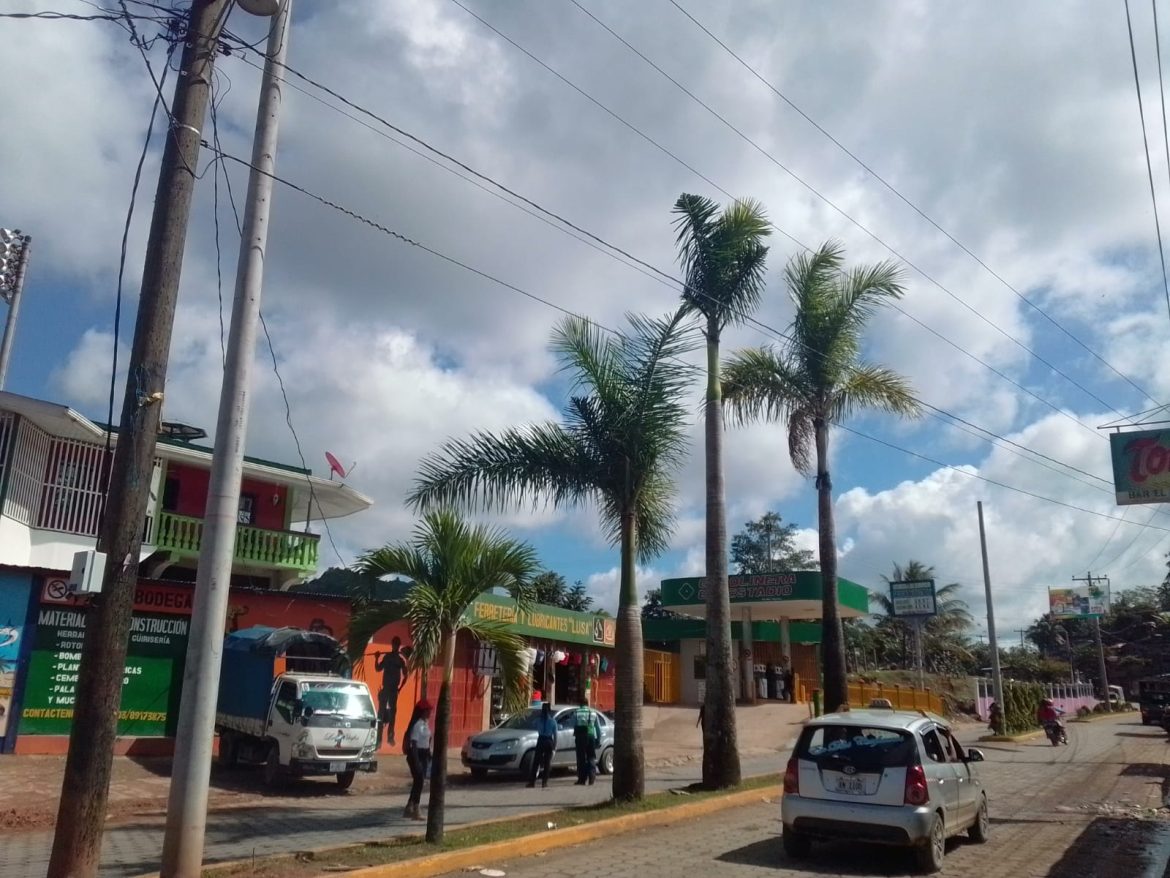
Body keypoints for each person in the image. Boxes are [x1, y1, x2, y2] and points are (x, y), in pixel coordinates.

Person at [374, 637, 409, 747]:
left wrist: (400, 688)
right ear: (392, 645)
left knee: (392, 713)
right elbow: (378, 668)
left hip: (394, 690)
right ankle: (378, 740)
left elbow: (406, 675)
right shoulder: (387, 657)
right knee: (381, 713)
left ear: (398, 645)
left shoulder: (400, 660)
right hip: (386, 689)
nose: (395, 646)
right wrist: (376, 658)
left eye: (396, 644)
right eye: (394, 644)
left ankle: (390, 737)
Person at [403, 700, 432, 820]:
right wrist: (416, 760)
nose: (430, 712)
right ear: (422, 711)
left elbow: (427, 740)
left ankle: (409, 807)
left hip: (424, 754)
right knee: (419, 781)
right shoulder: (417, 725)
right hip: (416, 754)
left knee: (418, 781)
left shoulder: (425, 724)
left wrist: (429, 754)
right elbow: (413, 743)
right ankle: (416, 808)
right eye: (428, 710)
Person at [526, 702, 557, 789]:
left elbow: (533, 724)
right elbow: (555, 735)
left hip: (541, 740)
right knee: (547, 763)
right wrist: (554, 746)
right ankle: (544, 783)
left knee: (536, 762)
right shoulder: (553, 721)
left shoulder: (538, 720)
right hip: (549, 741)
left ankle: (532, 782)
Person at [573, 696, 601, 785]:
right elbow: (598, 728)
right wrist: (598, 739)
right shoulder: (593, 713)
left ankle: (582, 779)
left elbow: (574, 725)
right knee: (591, 757)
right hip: (591, 736)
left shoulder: (576, 713)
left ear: (580, 704)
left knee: (581, 759)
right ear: (587, 703)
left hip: (580, 737)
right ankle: (592, 778)